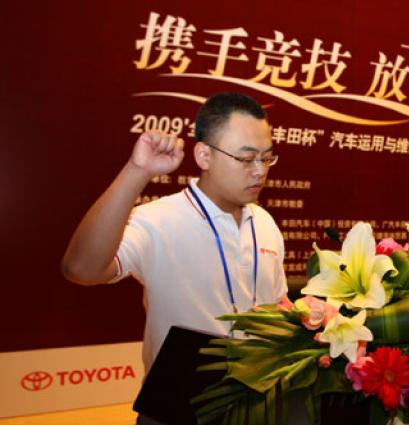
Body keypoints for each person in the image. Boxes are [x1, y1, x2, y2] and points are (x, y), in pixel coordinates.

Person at [61, 92, 288, 373]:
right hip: (179, 396)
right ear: (204, 155)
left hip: (257, 391)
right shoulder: (157, 220)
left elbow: (278, 305)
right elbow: (81, 269)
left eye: (266, 158)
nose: (259, 171)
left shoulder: (265, 222)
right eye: (247, 158)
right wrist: (138, 171)